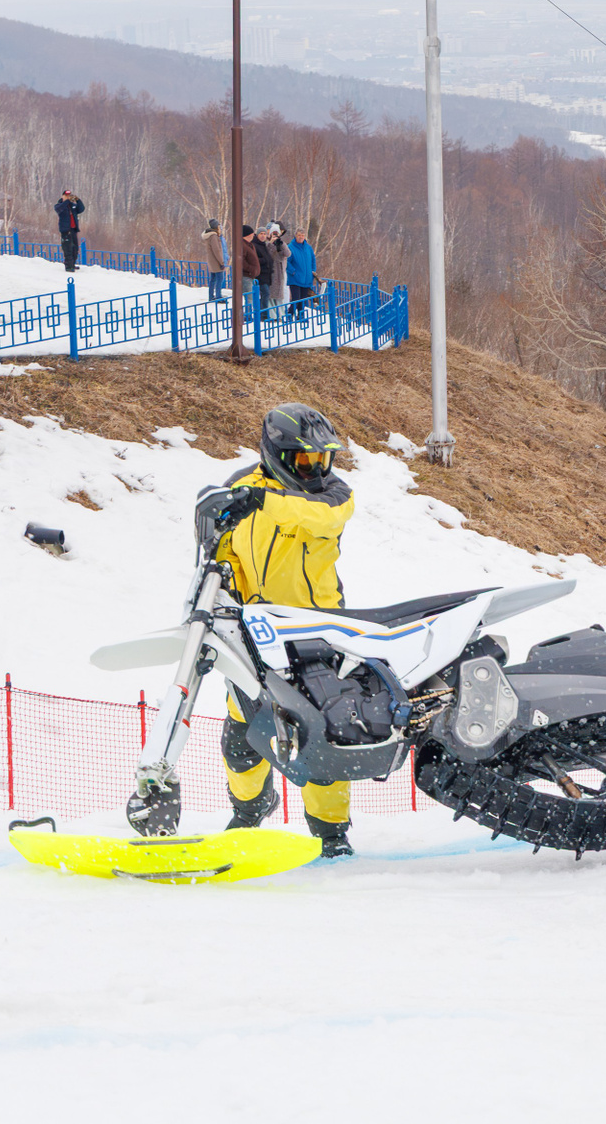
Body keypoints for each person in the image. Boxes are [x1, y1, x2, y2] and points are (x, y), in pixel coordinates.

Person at [214, 403, 357, 857]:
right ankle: (248, 812)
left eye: (322, 459)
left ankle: (331, 834)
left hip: (317, 631)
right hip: (254, 631)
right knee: (243, 736)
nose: (316, 469)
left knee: (321, 735)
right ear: (275, 454)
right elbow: (224, 549)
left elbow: (322, 516)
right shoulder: (240, 487)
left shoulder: (334, 495)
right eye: (305, 460)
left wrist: (260, 500)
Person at [285, 226, 318, 317]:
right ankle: (289, 315)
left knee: (303, 300)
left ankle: (301, 317)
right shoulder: (290, 247)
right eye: (299, 235)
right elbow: (287, 261)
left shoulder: (308, 248)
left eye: (303, 235)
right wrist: (293, 272)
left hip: (306, 278)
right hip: (295, 278)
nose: (301, 237)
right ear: (295, 236)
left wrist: (313, 271)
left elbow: (313, 260)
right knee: (296, 299)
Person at [55, 188, 85, 272]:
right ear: (63, 196)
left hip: (73, 230)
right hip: (66, 230)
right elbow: (59, 209)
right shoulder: (59, 205)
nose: (68, 197)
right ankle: (68, 266)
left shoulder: (72, 206)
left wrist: (77, 200)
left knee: (75, 249)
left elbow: (81, 209)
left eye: (69, 195)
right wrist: (66, 201)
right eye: (66, 195)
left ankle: (72, 264)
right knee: (68, 249)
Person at [238, 224, 265, 311]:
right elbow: (241, 261)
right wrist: (251, 269)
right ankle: (248, 314)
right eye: (252, 234)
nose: (253, 235)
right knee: (249, 297)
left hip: (251, 275)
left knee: (251, 297)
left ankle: (249, 313)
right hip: (246, 275)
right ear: (247, 235)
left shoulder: (249, 245)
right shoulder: (242, 245)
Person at [200, 218, 227, 302]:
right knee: (220, 278)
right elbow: (217, 250)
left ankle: (211, 296)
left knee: (213, 279)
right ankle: (218, 296)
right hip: (216, 262)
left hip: (211, 261)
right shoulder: (214, 236)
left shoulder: (208, 236)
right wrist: (221, 262)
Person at [266, 222, 291, 313]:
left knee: (280, 295)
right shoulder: (267, 244)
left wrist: (281, 244)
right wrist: (271, 243)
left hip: (280, 273)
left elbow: (288, 254)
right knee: (271, 296)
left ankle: (280, 314)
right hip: (270, 272)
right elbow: (267, 254)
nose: (275, 236)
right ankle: (272, 315)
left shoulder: (281, 243)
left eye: (277, 233)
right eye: (274, 233)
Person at [252, 222, 276, 311]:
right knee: (265, 293)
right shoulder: (255, 245)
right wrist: (265, 260)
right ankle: (262, 313)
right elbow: (254, 259)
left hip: (267, 274)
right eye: (261, 234)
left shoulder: (263, 245)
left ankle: (263, 312)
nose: (263, 236)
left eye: (264, 234)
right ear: (257, 235)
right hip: (260, 274)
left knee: (265, 294)